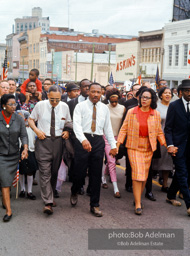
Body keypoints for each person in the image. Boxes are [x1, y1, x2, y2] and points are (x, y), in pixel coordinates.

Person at [70, 83, 117, 217]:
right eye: (93, 92)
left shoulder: (104, 108)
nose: (96, 94)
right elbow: (76, 126)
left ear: (101, 93)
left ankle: (95, 204)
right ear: (88, 92)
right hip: (82, 140)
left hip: (97, 141)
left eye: (98, 92)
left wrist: (113, 146)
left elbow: (107, 128)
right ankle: (74, 190)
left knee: (96, 174)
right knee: (79, 173)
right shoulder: (80, 107)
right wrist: (83, 140)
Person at [117, 88, 166, 215]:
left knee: (144, 176)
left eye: (147, 97)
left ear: (152, 100)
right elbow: (123, 129)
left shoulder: (156, 114)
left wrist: (166, 144)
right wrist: (117, 145)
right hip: (133, 146)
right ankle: (138, 203)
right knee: (138, 174)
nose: (144, 99)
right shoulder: (131, 112)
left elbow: (159, 132)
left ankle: (137, 197)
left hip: (148, 148)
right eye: (142, 97)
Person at [28, 85, 71, 215]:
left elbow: (68, 122)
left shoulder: (64, 106)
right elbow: (30, 120)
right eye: (52, 99)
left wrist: (67, 132)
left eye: (57, 99)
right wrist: (36, 130)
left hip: (58, 142)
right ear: (47, 95)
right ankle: (48, 202)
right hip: (43, 141)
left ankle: (50, 195)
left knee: (54, 171)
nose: (54, 102)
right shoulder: (40, 105)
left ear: (61, 97)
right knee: (45, 172)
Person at [0, 94, 28, 222]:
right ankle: (9, 211)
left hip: (14, 154)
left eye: (14, 104)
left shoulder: (18, 119)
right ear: (3, 106)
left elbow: (23, 135)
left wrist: (25, 149)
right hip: (1, 155)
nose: (13, 106)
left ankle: (4, 200)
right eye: (10, 104)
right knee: (5, 181)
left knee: (8, 181)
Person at [165, 79, 190, 216]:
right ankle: (189, 204)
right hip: (178, 147)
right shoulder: (174, 106)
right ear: (181, 92)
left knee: (185, 174)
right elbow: (168, 128)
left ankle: (170, 195)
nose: (189, 93)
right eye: (187, 91)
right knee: (182, 173)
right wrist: (170, 145)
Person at [101, 88, 125, 198]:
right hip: (106, 137)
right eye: (112, 101)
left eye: (116, 101)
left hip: (117, 137)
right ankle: (116, 187)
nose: (114, 103)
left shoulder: (123, 108)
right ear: (108, 99)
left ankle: (103, 177)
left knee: (112, 159)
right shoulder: (104, 108)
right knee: (111, 161)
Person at [152, 87, 173, 192]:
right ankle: (148, 186)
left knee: (167, 162)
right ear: (161, 95)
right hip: (157, 137)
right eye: (165, 93)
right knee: (154, 162)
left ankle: (165, 184)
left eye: (169, 93)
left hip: (169, 138)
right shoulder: (157, 107)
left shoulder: (173, 107)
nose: (168, 95)